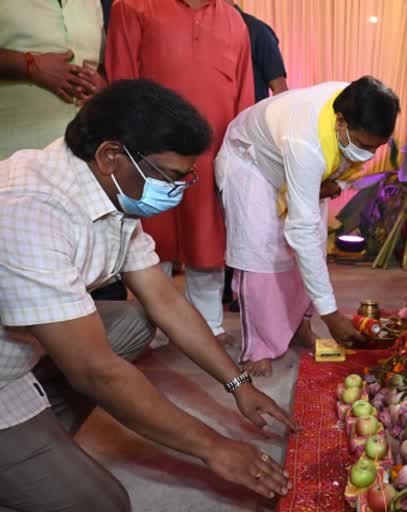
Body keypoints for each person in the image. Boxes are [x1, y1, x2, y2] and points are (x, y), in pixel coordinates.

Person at [0, 80, 298, 511]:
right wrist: (213, 446)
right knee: (104, 504)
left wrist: (238, 384)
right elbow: (96, 372)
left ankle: (40, 434)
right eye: (172, 177)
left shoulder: (110, 188)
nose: (178, 189)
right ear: (110, 156)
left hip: (24, 345)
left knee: (137, 321)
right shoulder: (29, 209)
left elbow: (167, 301)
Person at [215, 76, 399, 376]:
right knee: (261, 253)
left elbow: (343, 169)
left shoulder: (355, 105)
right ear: (341, 122)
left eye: (376, 148)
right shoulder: (307, 142)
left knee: (312, 244)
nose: (368, 155)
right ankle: (258, 347)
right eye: (364, 145)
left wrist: (335, 183)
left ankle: (300, 329)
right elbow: (300, 232)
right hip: (251, 162)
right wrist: (331, 314)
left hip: (294, 162)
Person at [106, 0, 256, 345]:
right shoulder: (133, 6)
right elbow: (121, 79)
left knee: (208, 241)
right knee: (150, 241)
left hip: (213, 153)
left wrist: (239, 157)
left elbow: (244, 97)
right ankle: (149, 328)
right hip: (150, 152)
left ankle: (210, 326)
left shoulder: (234, 21)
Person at [222, 0, 289, 310]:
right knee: (220, 214)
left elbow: (280, 88)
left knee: (247, 214)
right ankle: (227, 285)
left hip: (251, 141)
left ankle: (243, 287)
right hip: (217, 133)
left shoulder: (257, 31)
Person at [0, 0, 107, 160]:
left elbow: (98, 63)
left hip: (82, 158)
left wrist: (101, 87)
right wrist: (28, 66)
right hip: (11, 155)